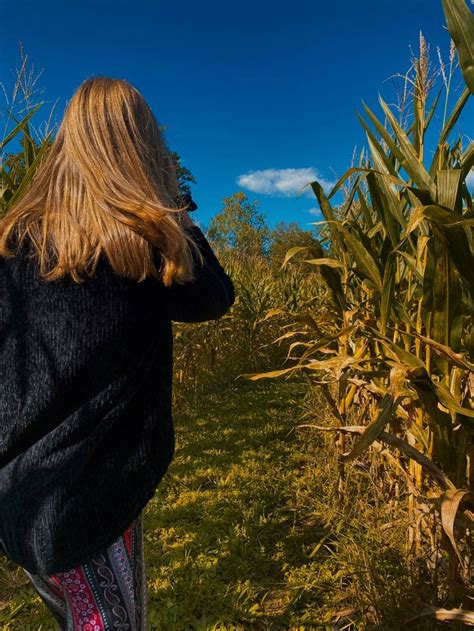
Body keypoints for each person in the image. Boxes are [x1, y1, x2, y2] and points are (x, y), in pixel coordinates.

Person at [0, 76, 235, 630]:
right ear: (140, 149)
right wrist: (176, 213)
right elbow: (215, 298)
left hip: (19, 503)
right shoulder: (145, 245)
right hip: (88, 508)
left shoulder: (12, 243)